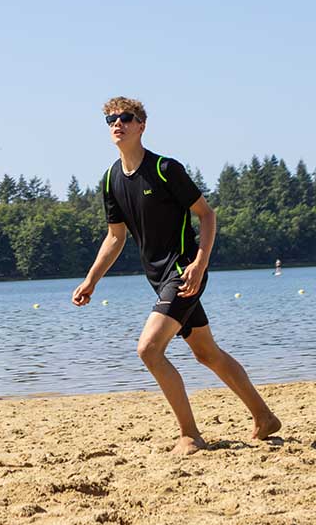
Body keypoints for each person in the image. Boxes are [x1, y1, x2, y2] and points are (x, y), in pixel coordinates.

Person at [72, 97, 281, 455]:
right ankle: (264, 417)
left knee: (149, 350)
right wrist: (91, 280)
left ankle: (190, 435)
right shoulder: (110, 180)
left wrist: (200, 263)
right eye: (110, 119)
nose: (117, 123)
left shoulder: (167, 169)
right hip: (158, 276)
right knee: (207, 353)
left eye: (125, 117)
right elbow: (115, 236)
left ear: (141, 126)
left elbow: (207, 215)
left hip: (184, 272)